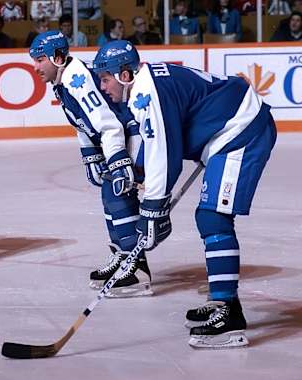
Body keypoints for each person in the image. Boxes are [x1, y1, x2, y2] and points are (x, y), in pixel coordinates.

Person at [93, 40, 277, 348]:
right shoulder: (145, 86)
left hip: (241, 132)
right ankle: (222, 302)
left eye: (105, 78)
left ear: (125, 75)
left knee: (212, 216)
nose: (102, 86)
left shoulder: (146, 91)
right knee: (209, 217)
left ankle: (229, 313)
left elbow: (166, 155)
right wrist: (144, 180)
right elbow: (157, 144)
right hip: (226, 131)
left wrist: (153, 208)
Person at [29, 31, 152, 297]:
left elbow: (108, 124)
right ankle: (123, 256)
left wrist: (118, 162)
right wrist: (91, 154)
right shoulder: (63, 81)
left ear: (57, 57)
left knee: (118, 195)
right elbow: (82, 122)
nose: (35, 67)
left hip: (128, 135)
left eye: (40, 59)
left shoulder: (77, 79)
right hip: (115, 140)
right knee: (110, 197)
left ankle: (137, 268)